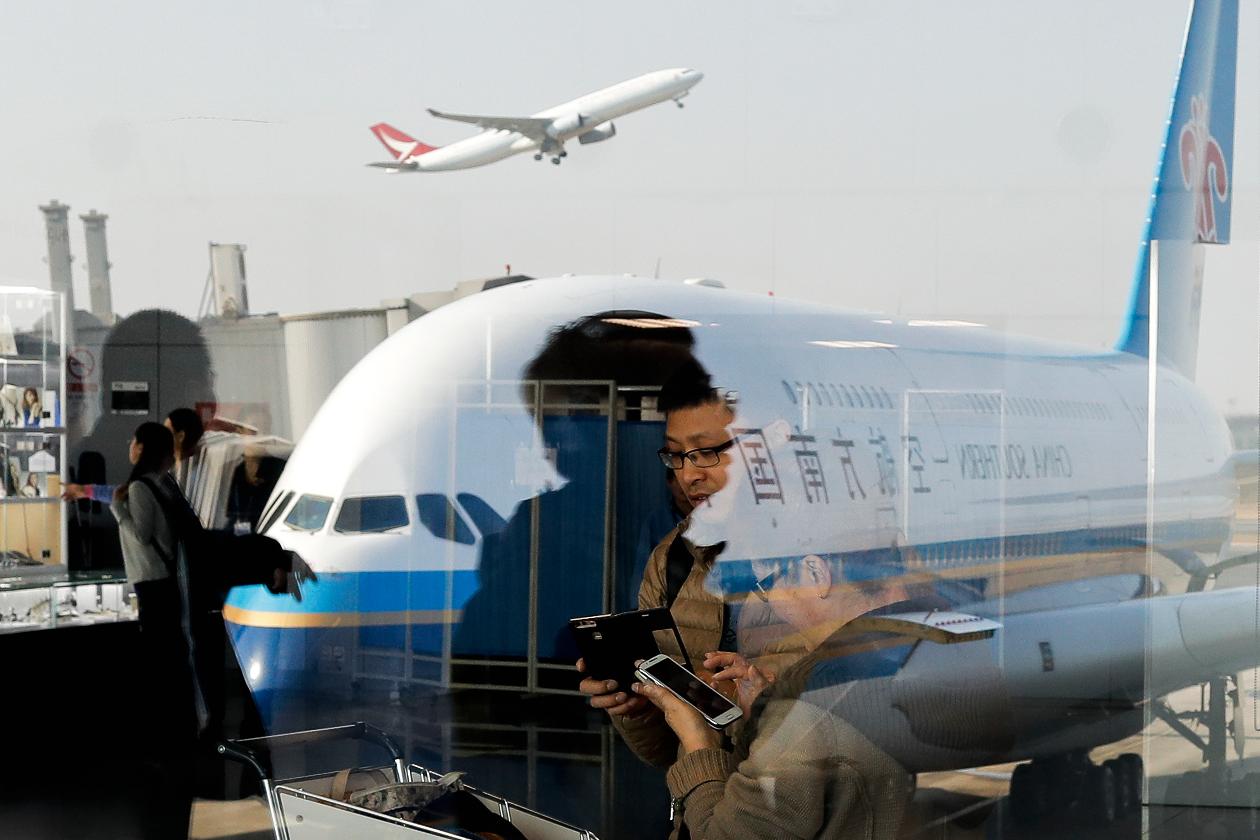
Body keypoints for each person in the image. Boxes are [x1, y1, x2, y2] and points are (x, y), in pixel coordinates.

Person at [631, 551, 922, 840]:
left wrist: (699, 745)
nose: (770, 599)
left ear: (817, 574)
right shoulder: (941, 641)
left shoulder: (812, 699)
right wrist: (764, 719)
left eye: (769, 583)